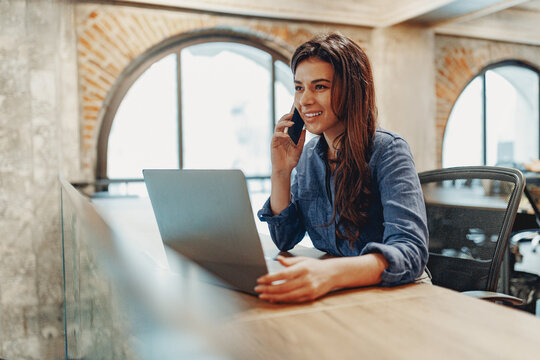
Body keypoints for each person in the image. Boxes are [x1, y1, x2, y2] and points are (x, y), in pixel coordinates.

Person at [255, 32, 429, 303]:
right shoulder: (310, 155)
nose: (304, 100)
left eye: (320, 87)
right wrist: (281, 171)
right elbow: (284, 238)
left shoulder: (388, 150)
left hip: (397, 294)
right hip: (345, 293)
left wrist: (329, 273)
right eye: (299, 87)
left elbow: (410, 252)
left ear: (351, 91)